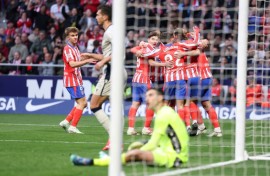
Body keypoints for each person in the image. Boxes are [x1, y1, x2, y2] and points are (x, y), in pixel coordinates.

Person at [70, 88, 189, 168]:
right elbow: (168, 139)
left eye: (151, 95)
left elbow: (153, 144)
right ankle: (112, 159)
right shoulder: (165, 112)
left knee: (135, 154)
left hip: (175, 158)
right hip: (170, 152)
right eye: (146, 96)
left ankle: (91, 162)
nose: (147, 98)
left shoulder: (163, 115)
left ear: (160, 98)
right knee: (134, 154)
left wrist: (136, 148)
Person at [82, 5, 127, 150]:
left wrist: (102, 62)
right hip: (119, 71)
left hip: (112, 72)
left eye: (98, 14)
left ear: (105, 16)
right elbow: (109, 55)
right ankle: (116, 141)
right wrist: (93, 56)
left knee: (94, 104)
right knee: (115, 107)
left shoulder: (111, 31)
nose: (96, 17)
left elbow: (119, 51)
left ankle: (114, 139)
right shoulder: (112, 31)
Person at [127, 30, 173, 136]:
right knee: (151, 104)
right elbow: (151, 61)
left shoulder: (142, 47)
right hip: (145, 79)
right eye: (153, 39)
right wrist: (165, 64)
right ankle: (146, 128)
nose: (155, 41)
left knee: (135, 104)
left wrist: (140, 47)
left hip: (136, 78)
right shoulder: (150, 50)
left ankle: (130, 128)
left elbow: (134, 49)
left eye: (157, 39)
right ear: (148, 39)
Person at [59, 27, 96, 134]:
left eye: (76, 35)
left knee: (82, 104)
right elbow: (72, 64)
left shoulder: (75, 47)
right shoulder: (67, 49)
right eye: (72, 35)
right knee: (83, 103)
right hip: (71, 79)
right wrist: (87, 61)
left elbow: (77, 60)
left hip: (77, 79)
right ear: (67, 37)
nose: (75, 37)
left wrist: (87, 57)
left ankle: (66, 122)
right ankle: (73, 127)